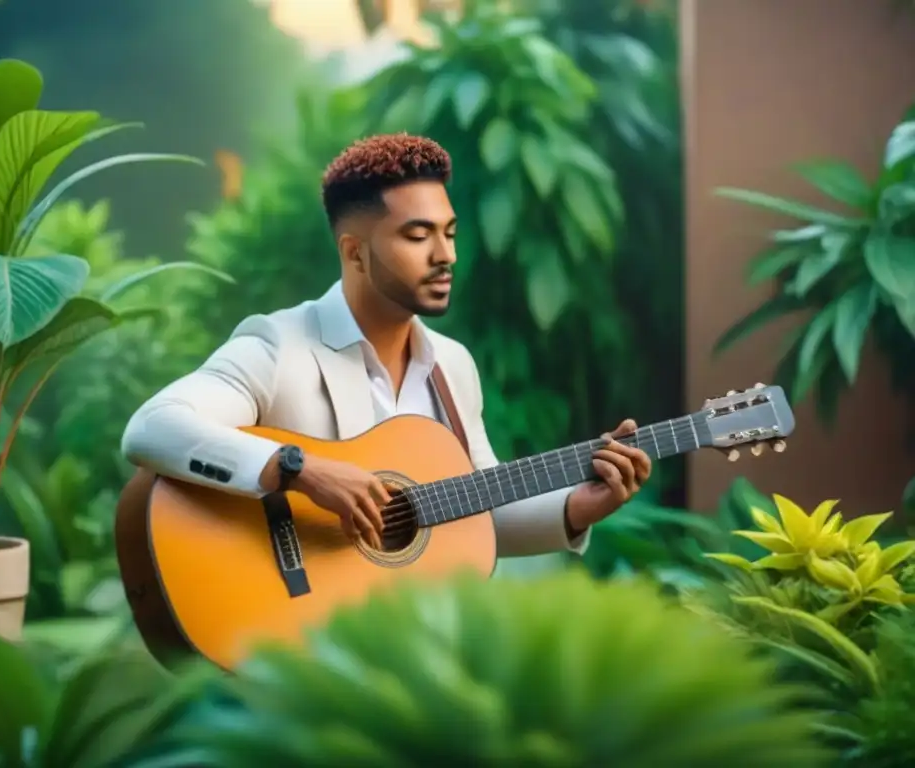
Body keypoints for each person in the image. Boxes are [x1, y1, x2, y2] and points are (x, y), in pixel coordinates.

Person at [121, 133, 651, 557]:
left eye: (451, 232)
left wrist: (578, 507)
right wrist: (302, 470)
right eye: (419, 237)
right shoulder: (278, 346)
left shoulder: (452, 365)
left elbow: (480, 508)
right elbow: (151, 427)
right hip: (296, 638)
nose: (446, 256)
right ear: (354, 253)